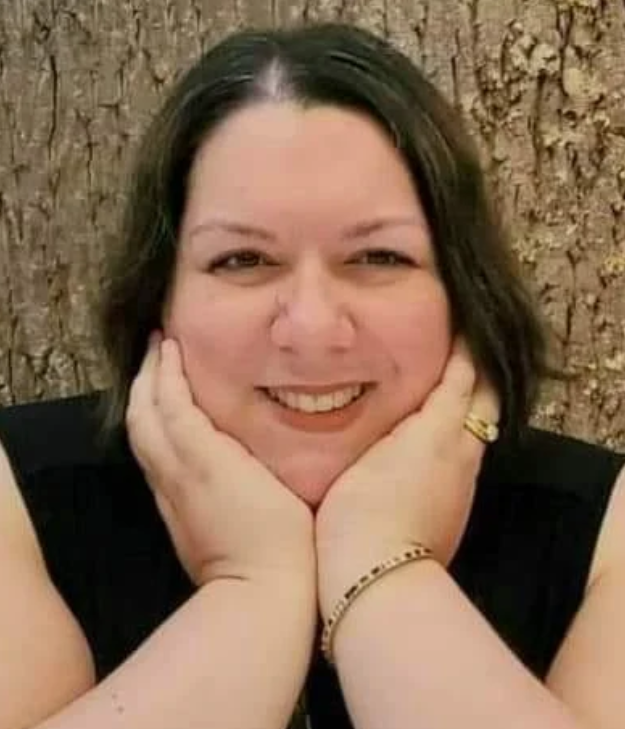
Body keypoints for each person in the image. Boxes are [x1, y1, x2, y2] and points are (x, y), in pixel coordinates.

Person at [0, 21, 623, 729]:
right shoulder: (18, 496)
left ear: (462, 291)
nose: (312, 328)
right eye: (242, 260)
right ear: (159, 297)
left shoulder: (604, 530)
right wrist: (254, 587)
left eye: (379, 258)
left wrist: (385, 565)